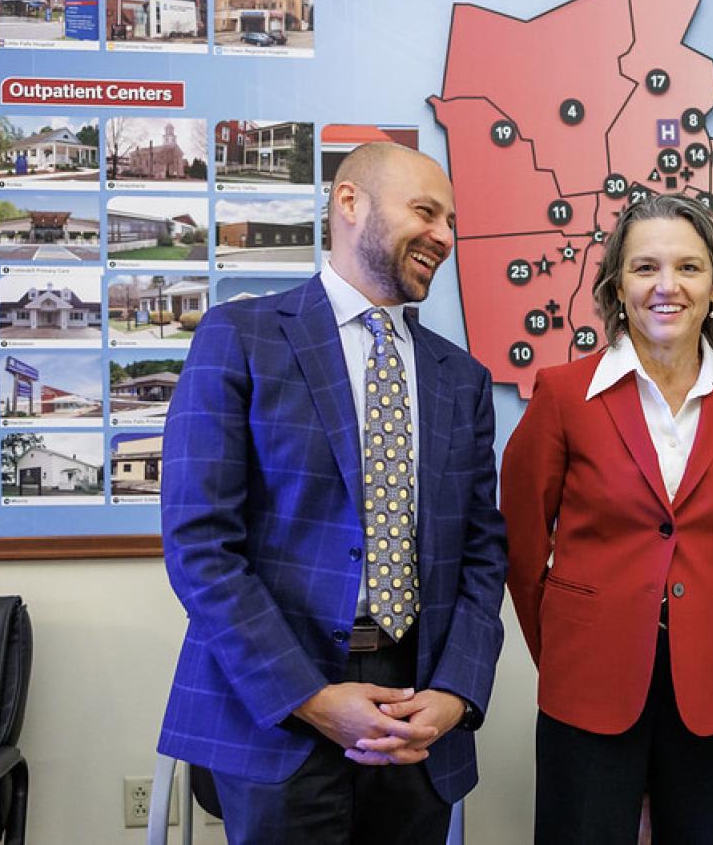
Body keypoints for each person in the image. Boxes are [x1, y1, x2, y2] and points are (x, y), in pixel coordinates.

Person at [157, 142, 508, 845]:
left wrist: (455, 694)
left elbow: (481, 552)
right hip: (277, 714)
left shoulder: (459, 378)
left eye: (451, 221)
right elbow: (200, 544)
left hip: (416, 717)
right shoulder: (242, 337)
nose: (445, 235)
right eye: (426, 212)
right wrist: (311, 699)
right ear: (350, 203)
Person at [501, 194, 713, 844]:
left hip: (710, 682)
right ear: (616, 287)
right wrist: (569, 644)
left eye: (688, 267)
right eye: (644, 267)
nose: (666, 286)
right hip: (588, 676)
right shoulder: (564, 394)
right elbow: (518, 542)